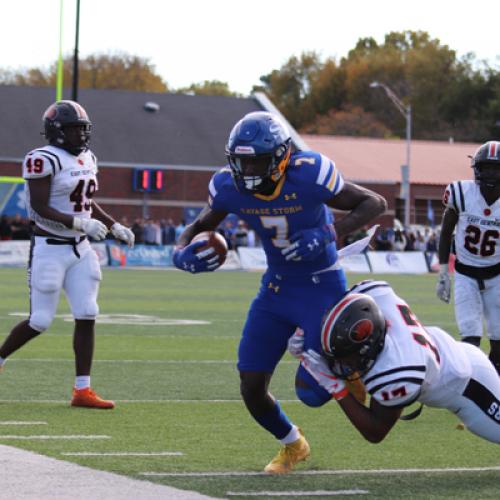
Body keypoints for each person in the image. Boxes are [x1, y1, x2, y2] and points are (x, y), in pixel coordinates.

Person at [172, 111, 386, 473]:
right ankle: (293, 444)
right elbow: (196, 226)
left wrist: (328, 233)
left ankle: (354, 366)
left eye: (257, 160)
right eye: (242, 161)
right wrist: (179, 254)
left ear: (282, 155)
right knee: (251, 385)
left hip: (322, 283)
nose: (249, 170)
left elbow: (374, 202)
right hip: (277, 287)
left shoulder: (310, 173)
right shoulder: (229, 186)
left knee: (312, 393)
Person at [0, 100, 135, 409]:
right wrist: (79, 223)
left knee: (88, 312)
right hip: (49, 248)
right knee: (41, 320)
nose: (81, 136)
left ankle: (82, 390)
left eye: (83, 129)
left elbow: (87, 204)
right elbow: (38, 208)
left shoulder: (88, 158)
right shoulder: (42, 159)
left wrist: (114, 225)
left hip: (80, 249)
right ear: (57, 132)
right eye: (74, 130)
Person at [291, 280, 500, 444]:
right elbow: (340, 306)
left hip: (471, 389)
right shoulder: (374, 301)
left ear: (368, 347)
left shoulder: (398, 371)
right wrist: (307, 333)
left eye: (349, 357)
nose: (343, 363)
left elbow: (375, 431)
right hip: (452, 354)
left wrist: (336, 388)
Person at [436, 141, 500, 375]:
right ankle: (473, 385)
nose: (491, 173)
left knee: (499, 340)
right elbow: (445, 233)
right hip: (465, 273)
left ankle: (493, 383)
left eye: (496, 168)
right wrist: (444, 273)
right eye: (486, 167)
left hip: (496, 273)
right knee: (470, 338)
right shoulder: (461, 193)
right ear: (477, 168)